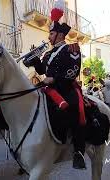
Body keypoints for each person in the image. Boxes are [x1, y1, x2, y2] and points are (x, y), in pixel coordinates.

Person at [23, 18, 86, 169]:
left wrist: (54, 79)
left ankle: (78, 151)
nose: (49, 37)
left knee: (74, 109)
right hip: (48, 87)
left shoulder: (72, 49)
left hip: (65, 87)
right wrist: (35, 59)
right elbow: (41, 71)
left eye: (51, 34)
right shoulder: (48, 53)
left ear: (59, 35)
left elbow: (73, 71)